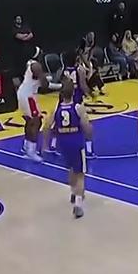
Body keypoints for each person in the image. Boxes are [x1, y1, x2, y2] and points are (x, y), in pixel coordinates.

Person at [41, 79, 93, 219]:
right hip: (76, 142)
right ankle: (78, 204)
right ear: (73, 92)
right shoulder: (78, 108)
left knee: (70, 168)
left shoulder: (56, 109)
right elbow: (86, 126)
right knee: (80, 173)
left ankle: (73, 192)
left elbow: (46, 127)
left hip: (62, 143)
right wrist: (89, 136)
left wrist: (45, 144)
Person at [16, 46, 58, 162]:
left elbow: (36, 80)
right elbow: (44, 85)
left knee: (29, 121)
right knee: (36, 121)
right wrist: (60, 86)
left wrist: (46, 78)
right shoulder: (37, 66)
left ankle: (26, 146)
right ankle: (31, 151)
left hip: (23, 93)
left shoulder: (30, 63)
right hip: (28, 96)